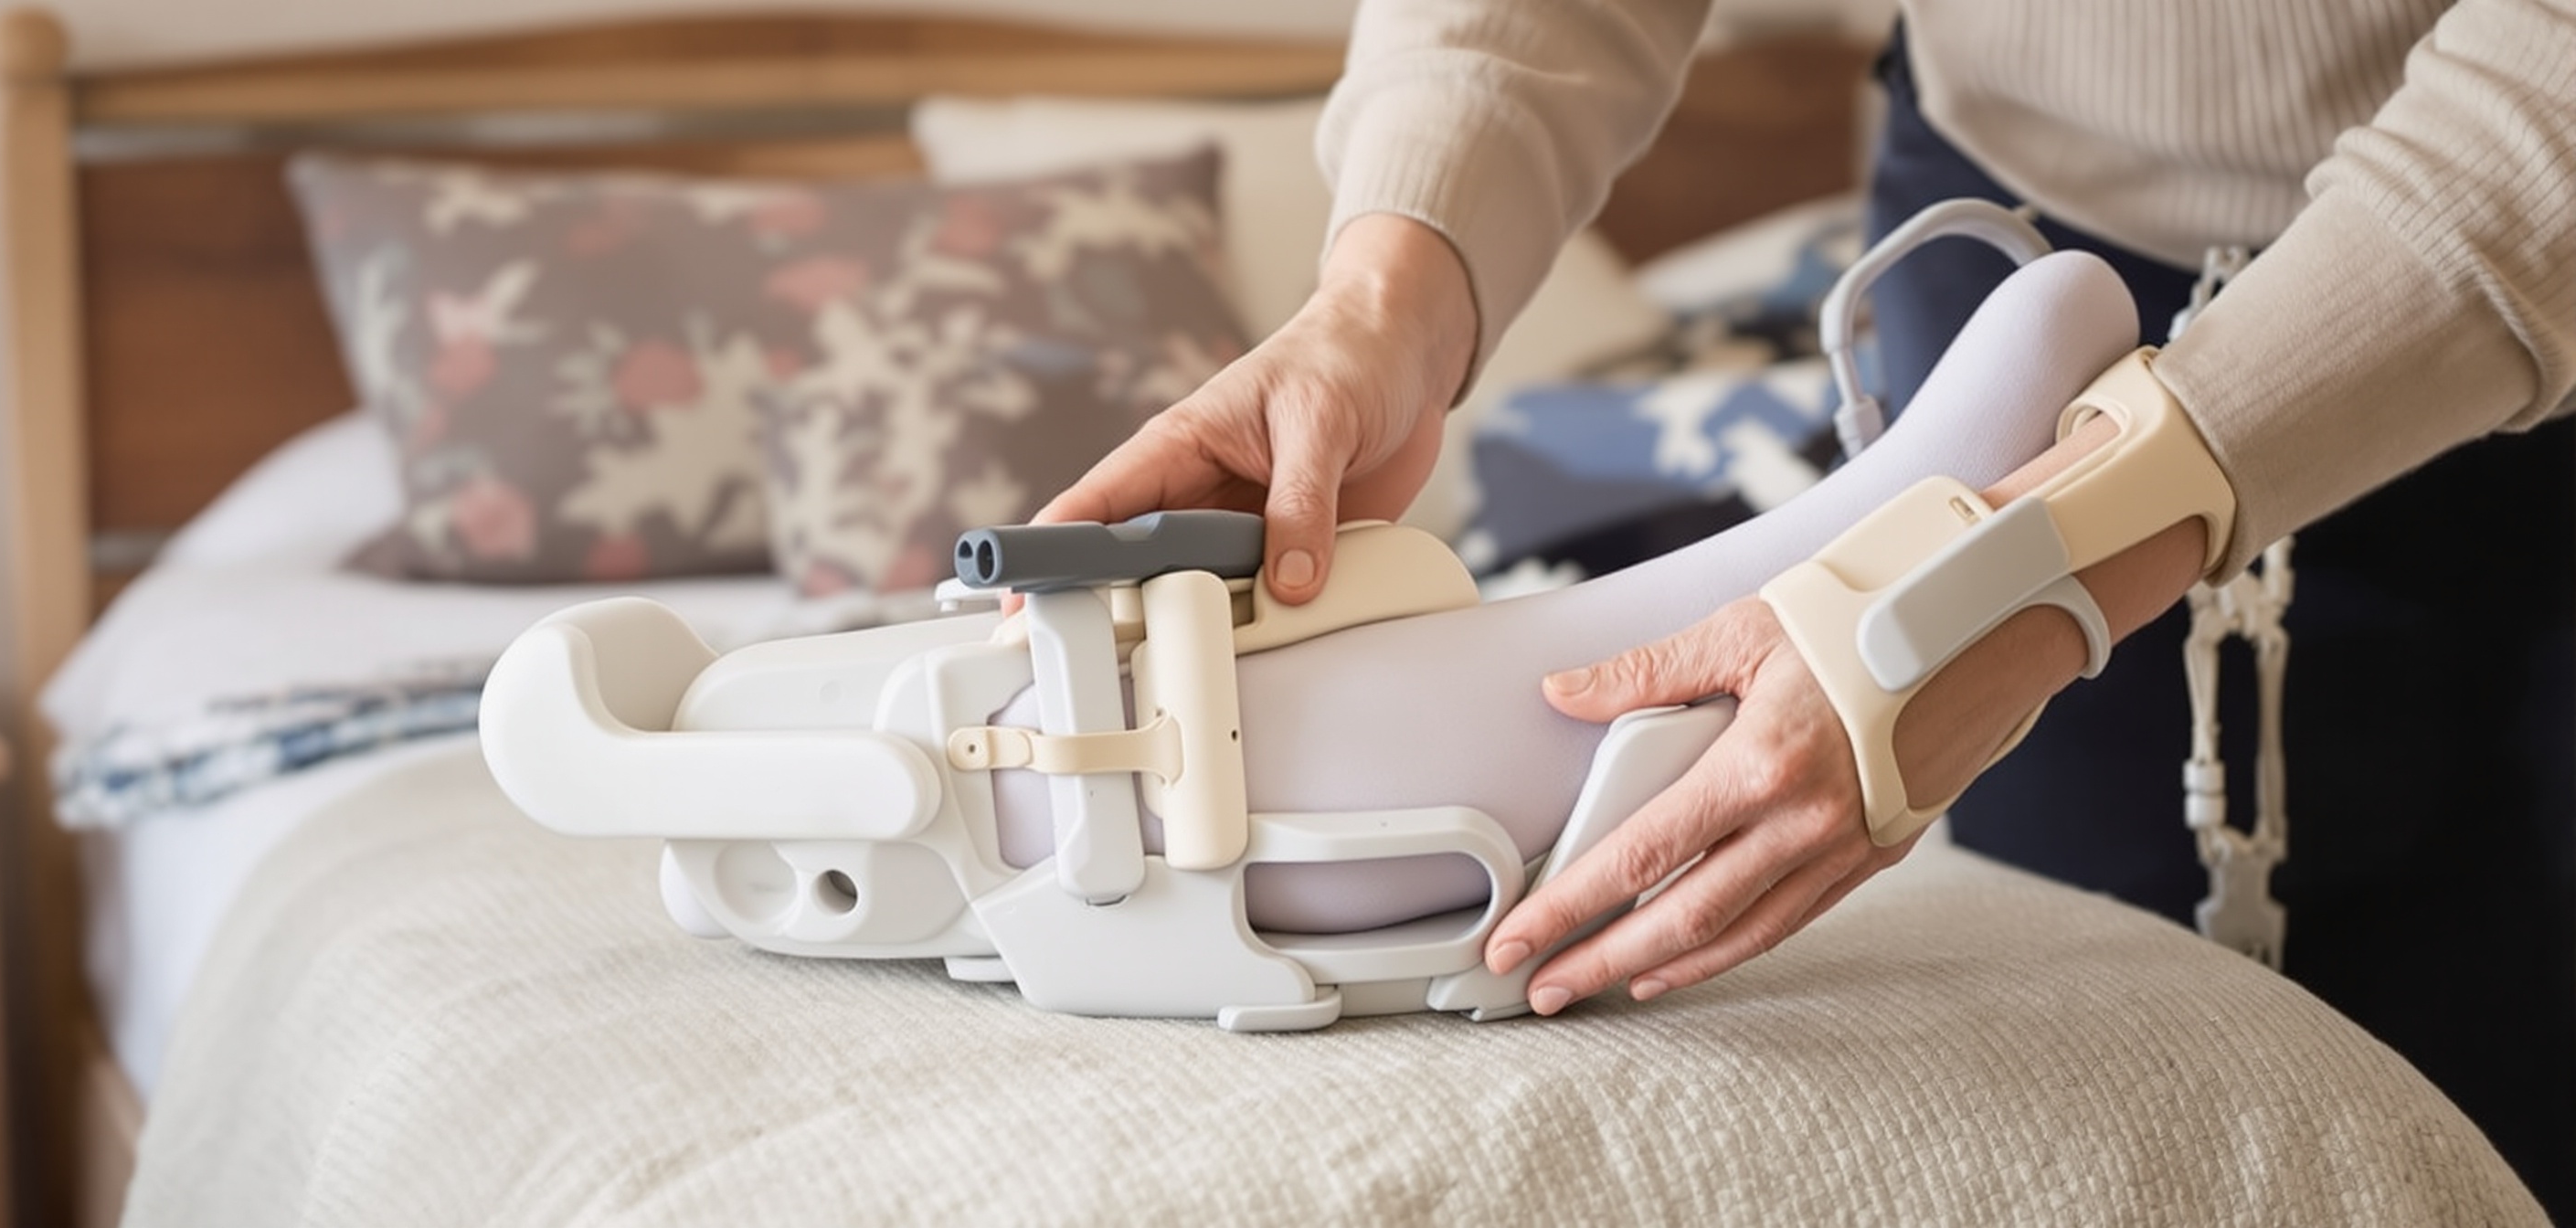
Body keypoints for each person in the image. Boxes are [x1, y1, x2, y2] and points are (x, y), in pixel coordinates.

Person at [1034, 1, 2575, 1212]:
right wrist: (1384, 299)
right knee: (2092, 1074)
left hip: (2525, 239)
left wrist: (2035, 568)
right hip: (2026, 215)